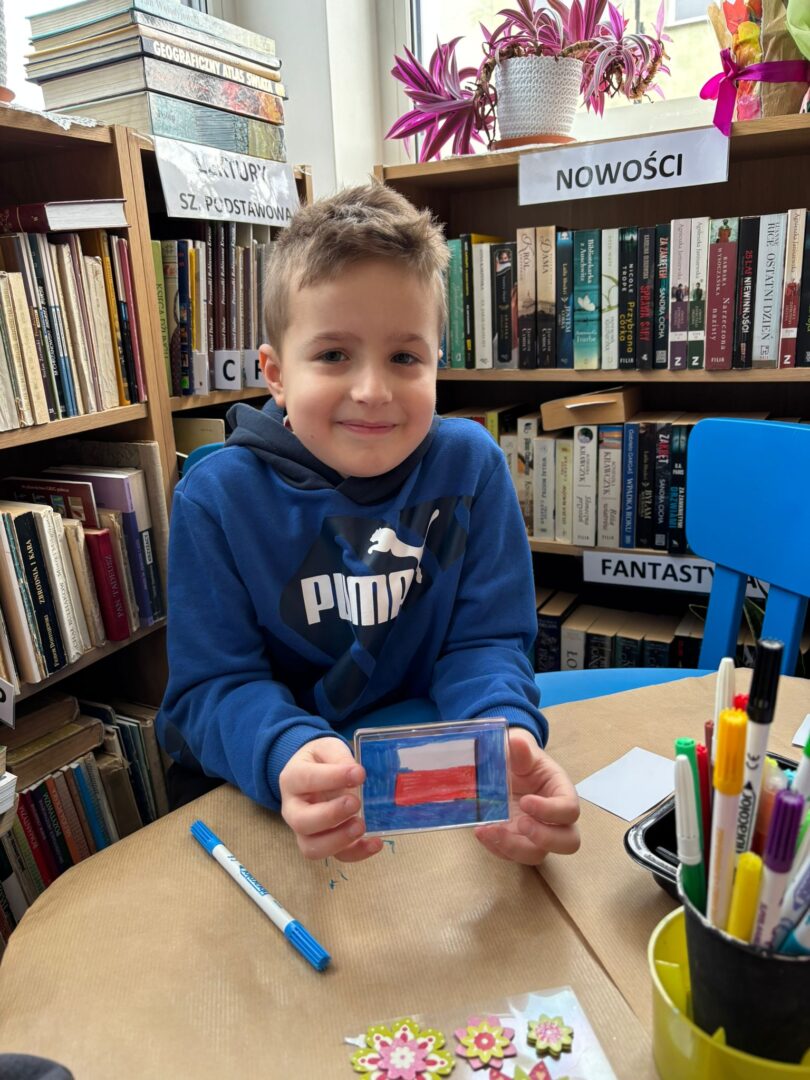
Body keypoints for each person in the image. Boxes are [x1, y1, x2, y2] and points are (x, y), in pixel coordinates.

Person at [157, 183, 580, 867]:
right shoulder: (214, 499)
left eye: (405, 357)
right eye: (333, 355)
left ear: (438, 362)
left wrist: (501, 733)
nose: (373, 391)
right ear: (275, 373)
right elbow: (211, 689)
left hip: (419, 789)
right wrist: (285, 750)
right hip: (264, 801)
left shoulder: (472, 466)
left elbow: (485, 643)